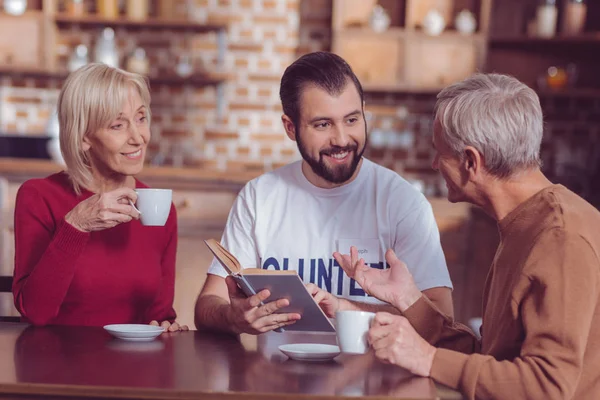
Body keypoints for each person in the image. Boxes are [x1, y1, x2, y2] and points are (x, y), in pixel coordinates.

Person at [335, 73, 600, 399]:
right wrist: (410, 300)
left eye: (440, 153)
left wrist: (428, 358)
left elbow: (547, 386)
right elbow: (491, 361)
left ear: (471, 161)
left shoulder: (560, 239)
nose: (434, 164)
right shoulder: (524, 224)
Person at [194, 51, 453, 335]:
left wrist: (345, 308)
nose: (341, 139)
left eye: (352, 120)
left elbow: (443, 318)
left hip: (379, 377)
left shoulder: (403, 202)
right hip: (276, 376)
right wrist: (232, 317)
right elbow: (208, 304)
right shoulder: (258, 197)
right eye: (323, 125)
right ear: (290, 128)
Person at [13, 63, 187, 331]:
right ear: (84, 137)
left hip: (134, 368)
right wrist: (76, 225)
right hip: (55, 368)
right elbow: (35, 312)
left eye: (140, 118)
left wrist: (167, 327)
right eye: (118, 125)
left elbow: (160, 314)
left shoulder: (159, 206)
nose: (138, 137)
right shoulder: (39, 197)